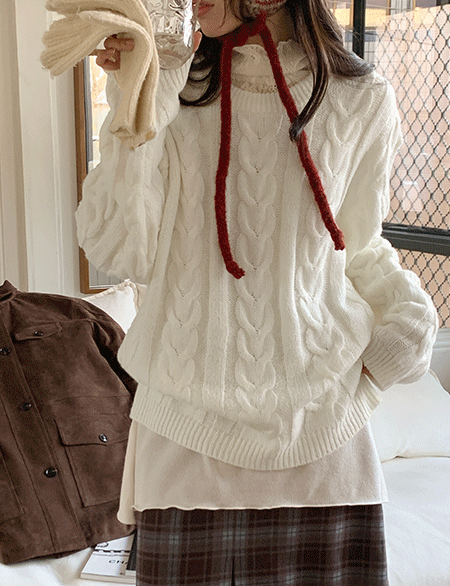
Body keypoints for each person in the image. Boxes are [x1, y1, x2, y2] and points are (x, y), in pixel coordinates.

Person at [76, 0, 438, 583]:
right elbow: (120, 251)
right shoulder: (174, 85)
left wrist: (406, 320)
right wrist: (138, 105)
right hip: (184, 436)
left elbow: (355, 244)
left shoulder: (361, 97)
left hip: (325, 434)